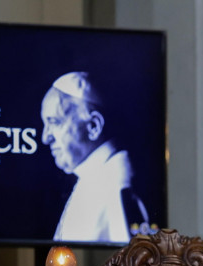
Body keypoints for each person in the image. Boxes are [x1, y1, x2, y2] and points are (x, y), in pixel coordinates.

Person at [40, 71, 148, 244]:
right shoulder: (94, 175)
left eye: (54, 122)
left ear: (93, 126)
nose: (45, 138)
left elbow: (136, 265)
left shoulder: (117, 182)